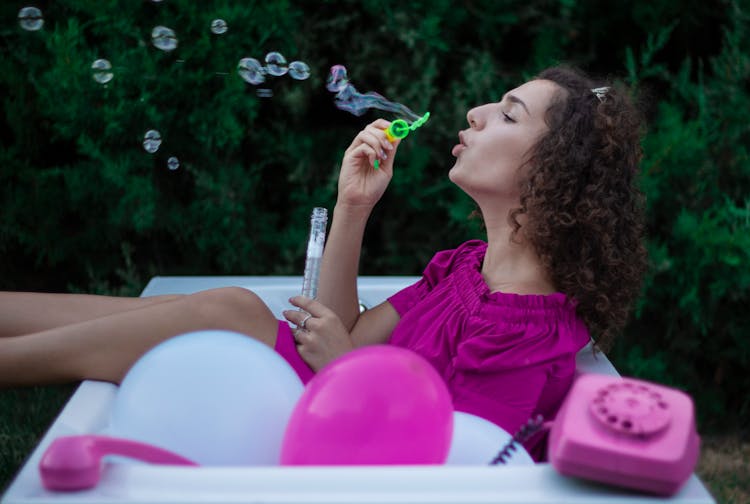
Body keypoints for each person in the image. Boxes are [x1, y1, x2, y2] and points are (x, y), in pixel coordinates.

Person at [1, 65, 646, 460]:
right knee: (203, 310)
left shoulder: (521, 330)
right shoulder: (466, 270)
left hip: (336, 438)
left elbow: (456, 463)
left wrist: (344, 366)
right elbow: (349, 329)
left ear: (552, 171)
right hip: (327, 402)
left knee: (227, 310)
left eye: (508, 114)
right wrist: (354, 206)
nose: (475, 113)